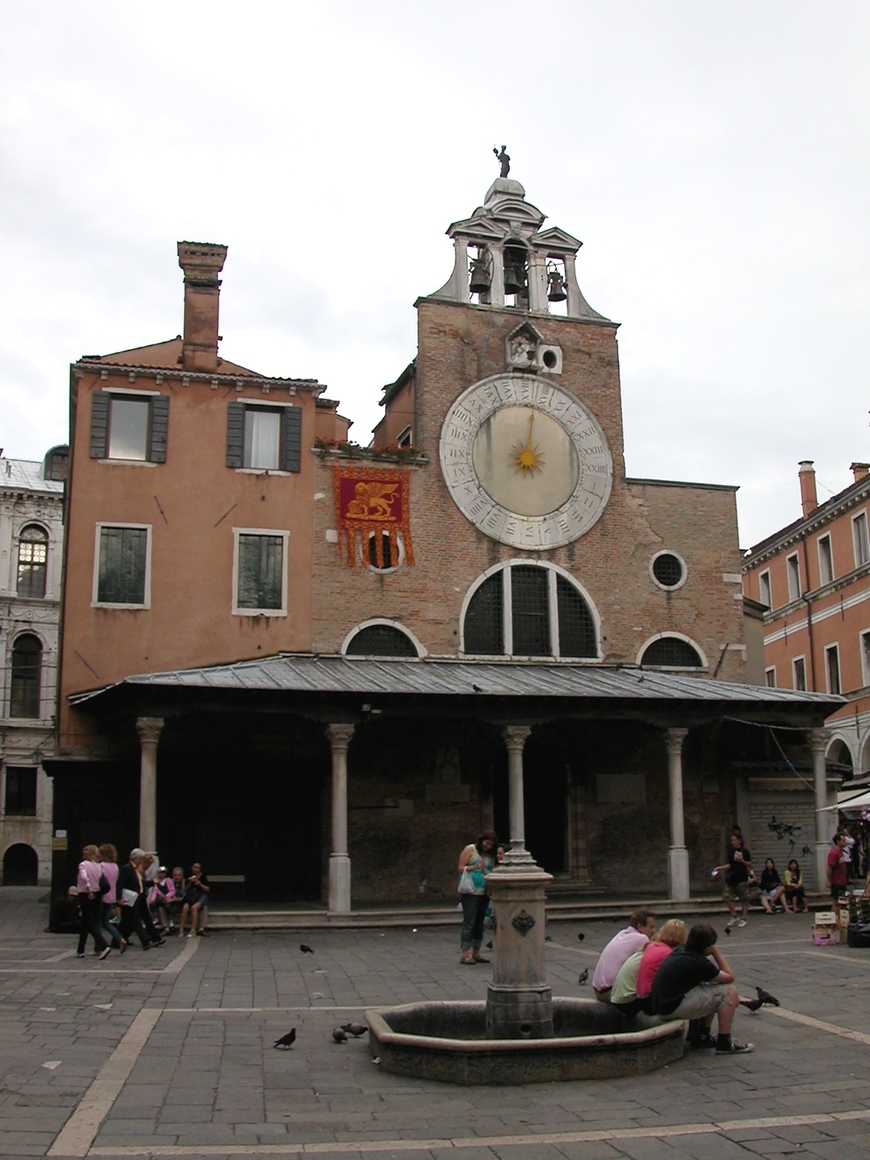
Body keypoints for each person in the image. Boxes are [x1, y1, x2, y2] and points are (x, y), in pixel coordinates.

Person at [649, 922, 752, 1055]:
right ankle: (724, 1041)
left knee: (710, 987)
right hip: (671, 1008)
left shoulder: (680, 950)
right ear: (707, 947)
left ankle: (701, 1035)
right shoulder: (698, 962)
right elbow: (730, 977)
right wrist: (715, 953)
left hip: (662, 1004)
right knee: (728, 991)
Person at [592, 909, 656, 1002]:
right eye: (651, 927)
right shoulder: (642, 939)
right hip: (611, 992)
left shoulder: (622, 933)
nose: (654, 931)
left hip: (598, 990)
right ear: (640, 926)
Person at [456, 831, 498, 965]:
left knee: (480, 923)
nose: (488, 847)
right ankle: (464, 953)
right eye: (486, 843)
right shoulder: (470, 849)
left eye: (491, 845)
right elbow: (460, 868)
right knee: (470, 921)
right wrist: (475, 867)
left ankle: (476, 952)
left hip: (483, 892)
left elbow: (490, 870)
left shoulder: (490, 856)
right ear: (481, 841)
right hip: (470, 892)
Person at [117, 848, 161, 950]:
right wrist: (119, 898)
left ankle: (117, 940)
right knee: (136, 921)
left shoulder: (134, 869)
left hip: (136, 898)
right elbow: (120, 883)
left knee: (126, 922)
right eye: (140, 859)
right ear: (135, 858)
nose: (141, 861)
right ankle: (146, 941)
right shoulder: (127, 868)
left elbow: (141, 883)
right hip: (129, 898)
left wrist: (151, 883)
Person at [75, 844, 111, 960]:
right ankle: (80, 949)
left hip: (86, 894)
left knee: (89, 923)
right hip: (97, 895)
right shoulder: (99, 866)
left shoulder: (83, 865)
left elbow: (84, 877)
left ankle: (104, 945)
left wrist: (89, 889)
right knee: (87, 922)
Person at [713, 829, 752, 928]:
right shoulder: (731, 852)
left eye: (734, 840)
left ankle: (744, 918)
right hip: (732, 878)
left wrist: (742, 860)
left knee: (744, 899)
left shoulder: (745, 851)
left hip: (741, 878)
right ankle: (734, 915)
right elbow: (730, 864)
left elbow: (749, 864)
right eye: (731, 840)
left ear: (739, 841)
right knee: (727, 896)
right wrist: (720, 868)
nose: (732, 842)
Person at [97, 842, 126, 951]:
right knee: (106, 922)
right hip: (111, 897)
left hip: (102, 897)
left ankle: (98, 947)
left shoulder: (101, 866)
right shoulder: (115, 867)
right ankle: (120, 938)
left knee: (98, 923)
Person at [178, 862, 211, 939]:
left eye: (198, 868)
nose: (196, 869)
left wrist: (199, 883)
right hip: (191, 896)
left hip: (201, 895)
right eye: (195, 867)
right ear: (192, 868)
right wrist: (190, 882)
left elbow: (208, 889)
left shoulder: (203, 877)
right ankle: (181, 929)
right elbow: (185, 889)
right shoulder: (188, 877)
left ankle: (193, 930)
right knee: (185, 907)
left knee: (194, 908)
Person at [828, 832, 848, 922]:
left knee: (841, 902)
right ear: (838, 841)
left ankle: (839, 919)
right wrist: (829, 880)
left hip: (842, 881)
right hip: (837, 882)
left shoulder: (841, 853)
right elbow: (829, 867)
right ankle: (835, 919)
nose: (845, 842)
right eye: (843, 840)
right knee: (836, 902)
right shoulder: (834, 853)